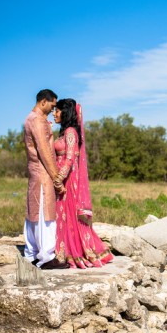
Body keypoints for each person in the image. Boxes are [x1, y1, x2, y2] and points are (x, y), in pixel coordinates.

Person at [52, 98, 114, 269]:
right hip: (61, 179)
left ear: (66, 112)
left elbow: (70, 157)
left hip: (68, 180)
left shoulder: (71, 132)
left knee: (69, 216)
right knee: (62, 216)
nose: (54, 114)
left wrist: (59, 179)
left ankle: (74, 253)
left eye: (57, 111)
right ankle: (62, 250)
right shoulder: (63, 133)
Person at [23, 89, 69, 269]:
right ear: (43, 102)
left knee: (35, 212)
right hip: (43, 172)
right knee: (44, 213)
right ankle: (46, 257)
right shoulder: (37, 120)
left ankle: (32, 254)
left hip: (36, 171)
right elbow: (44, 150)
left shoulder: (31, 118)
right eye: (51, 105)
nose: (53, 109)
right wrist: (56, 177)